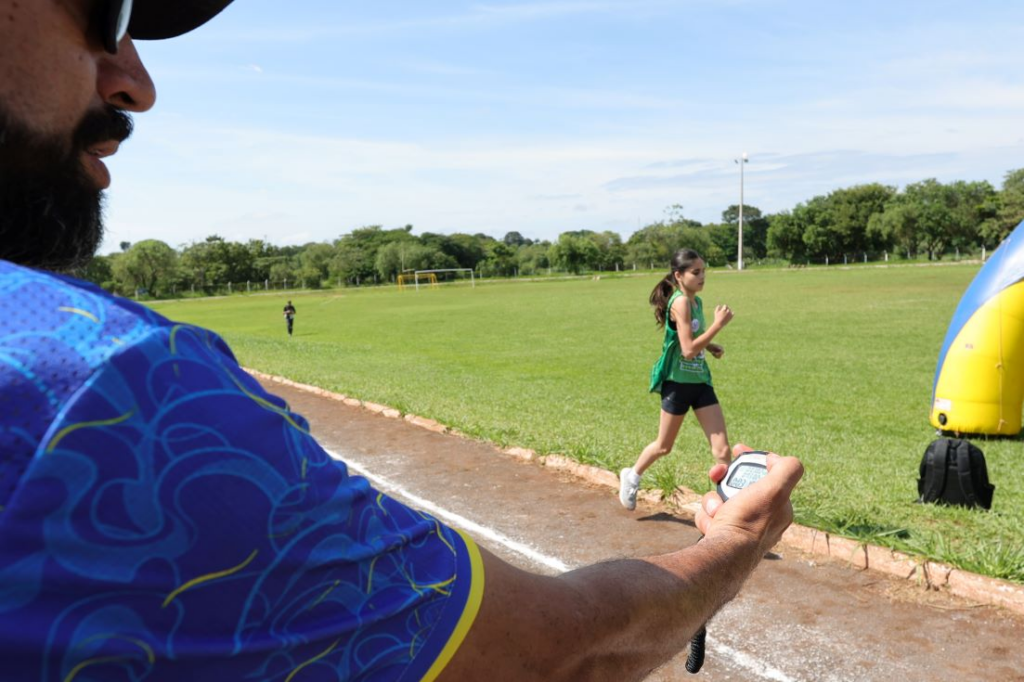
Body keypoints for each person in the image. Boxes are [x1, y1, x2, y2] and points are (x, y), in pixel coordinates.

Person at [0, 2, 803, 680]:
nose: (134, 83)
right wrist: (729, 546)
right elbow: (551, 654)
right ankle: (641, 476)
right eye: (102, 9)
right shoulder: (100, 382)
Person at [620, 249, 735, 511]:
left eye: (704, 271)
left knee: (722, 450)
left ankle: (728, 507)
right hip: (677, 383)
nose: (702, 276)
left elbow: (694, 342)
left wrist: (711, 345)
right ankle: (632, 474)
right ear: (679, 276)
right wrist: (717, 326)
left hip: (700, 382)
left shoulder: (697, 303)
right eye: (696, 272)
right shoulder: (680, 302)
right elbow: (686, 349)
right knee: (663, 446)